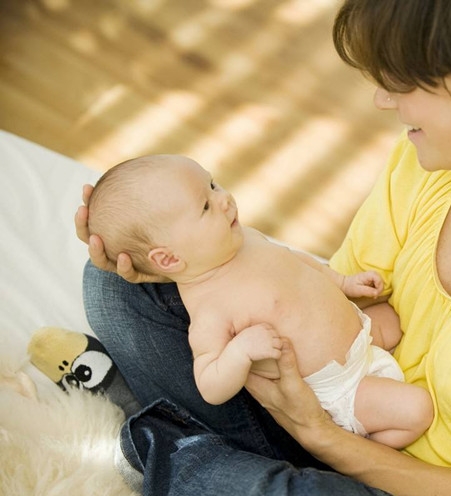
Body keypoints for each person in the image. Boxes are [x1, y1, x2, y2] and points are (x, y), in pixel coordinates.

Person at [75, 0, 451, 494]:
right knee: (121, 285)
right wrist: (186, 268)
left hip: (400, 475)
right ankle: (191, 457)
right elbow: (334, 296)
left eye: (403, 83)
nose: (383, 100)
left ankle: (169, 450)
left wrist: (323, 438)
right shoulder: (445, 155)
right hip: (342, 403)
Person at [86, 154, 433, 449]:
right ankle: (365, 445)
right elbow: (210, 384)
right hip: (341, 389)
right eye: (206, 205)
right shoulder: (210, 308)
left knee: (399, 312)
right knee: (417, 410)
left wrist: (344, 282)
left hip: (361, 336)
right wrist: (240, 352)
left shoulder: (245, 240)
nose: (224, 199)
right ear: (167, 260)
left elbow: (298, 263)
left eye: (213, 184)